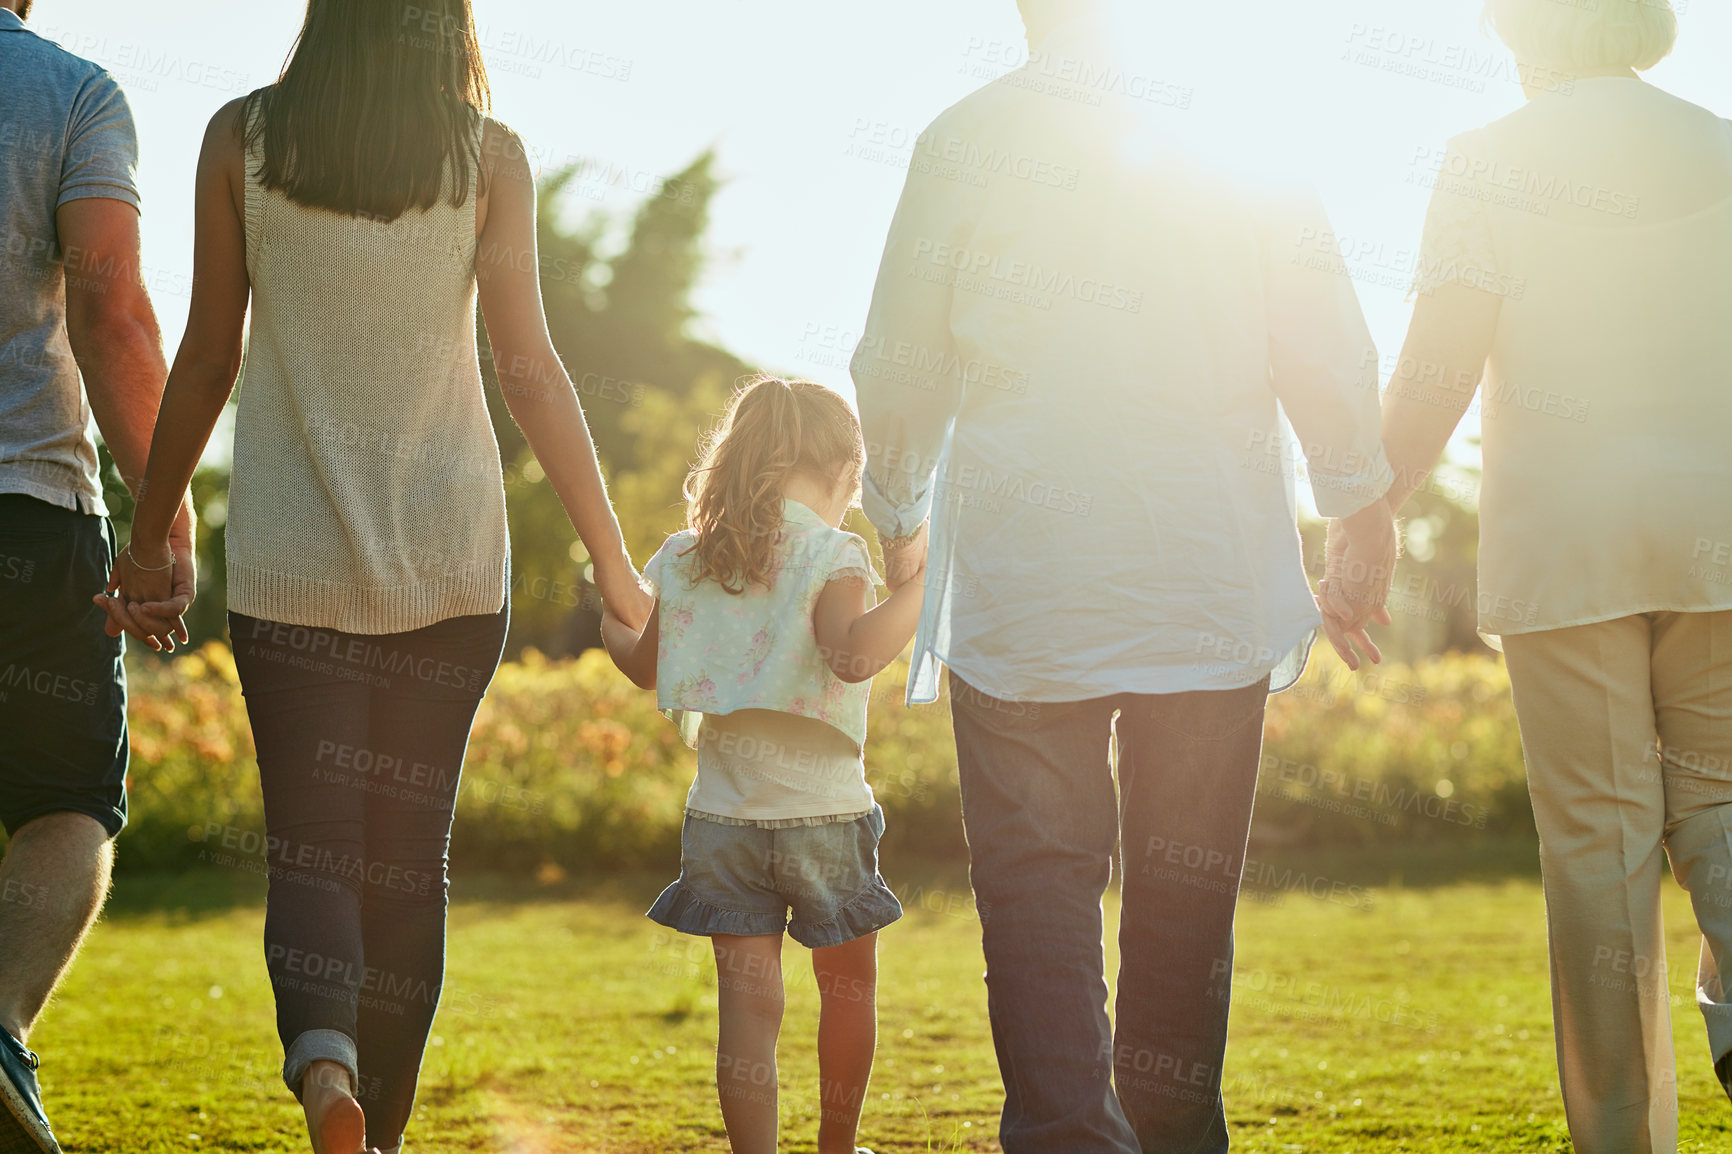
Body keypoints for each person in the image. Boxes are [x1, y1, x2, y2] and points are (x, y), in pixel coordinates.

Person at [99, 1, 650, 1151]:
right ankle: (379, 1135)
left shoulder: (239, 139)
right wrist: (614, 562)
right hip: (451, 573)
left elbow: (208, 354)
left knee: (312, 844)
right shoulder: (488, 159)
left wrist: (148, 542)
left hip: (291, 574)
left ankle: (326, 1072)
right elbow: (530, 366)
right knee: (407, 864)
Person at [851, 1, 1397, 1150]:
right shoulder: (1242, 143)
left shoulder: (966, 139)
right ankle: (1176, 1131)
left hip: (1026, 591)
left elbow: (899, 356)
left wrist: (898, 512)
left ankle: (1062, 1136)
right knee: (1183, 898)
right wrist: (1359, 509)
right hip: (1201, 577)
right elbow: (1324, 340)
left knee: (1037, 889)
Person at [1342, 1, 1732, 1150]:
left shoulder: (1487, 161)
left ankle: (1623, 1138)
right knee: (1720, 810)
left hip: (1568, 548)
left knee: (1600, 853)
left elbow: (1436, 370)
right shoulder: (1721, 141)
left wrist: (1368, 519)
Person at [601, 376, 919, 1154]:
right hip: (826, 819)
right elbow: (852, 654)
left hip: (725, 823)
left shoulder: (688, 556)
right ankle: (837, 1148)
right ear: (845, 467)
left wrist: (614, 621)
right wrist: (920, 588)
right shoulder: (833, 550)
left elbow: (645, 666)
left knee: (748, 1013)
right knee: (848, 992)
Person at [0, 3, 196, 1150]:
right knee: (65, 798)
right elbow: (112, 313)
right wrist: (161, 517)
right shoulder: (70, 93)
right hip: (27, 505)